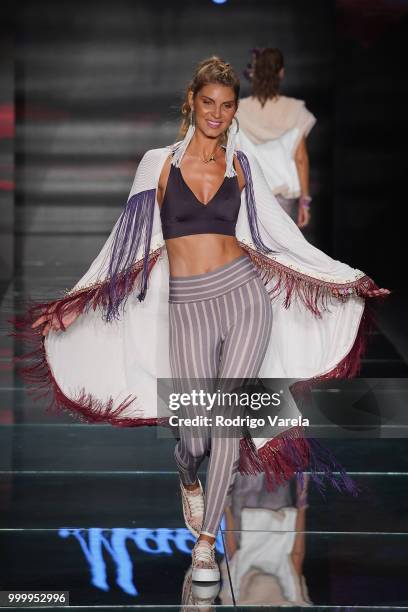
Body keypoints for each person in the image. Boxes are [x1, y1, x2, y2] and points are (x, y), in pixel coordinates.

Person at [9, 56, 390, 583]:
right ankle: (188, 476)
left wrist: (346, 278)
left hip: (244, 299)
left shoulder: (241, 165)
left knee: (229, 423)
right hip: (187, 305)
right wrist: (74, 302)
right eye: (208, 102)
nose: (217, 113)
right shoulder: (158, 163)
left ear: (235, 111)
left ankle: (206, 546)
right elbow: (125, 245)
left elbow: (280, 238)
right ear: (192, 102)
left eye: (226, 105)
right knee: (194, 435)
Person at [236, 47, 316, 228]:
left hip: (250, 193)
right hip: (281, 198)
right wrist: (304, 202)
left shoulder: (238, 111)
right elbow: (300, 158)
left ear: (254, 73)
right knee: (276, 249)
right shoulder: (295, 111)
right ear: (281, 73)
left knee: (252, 248)